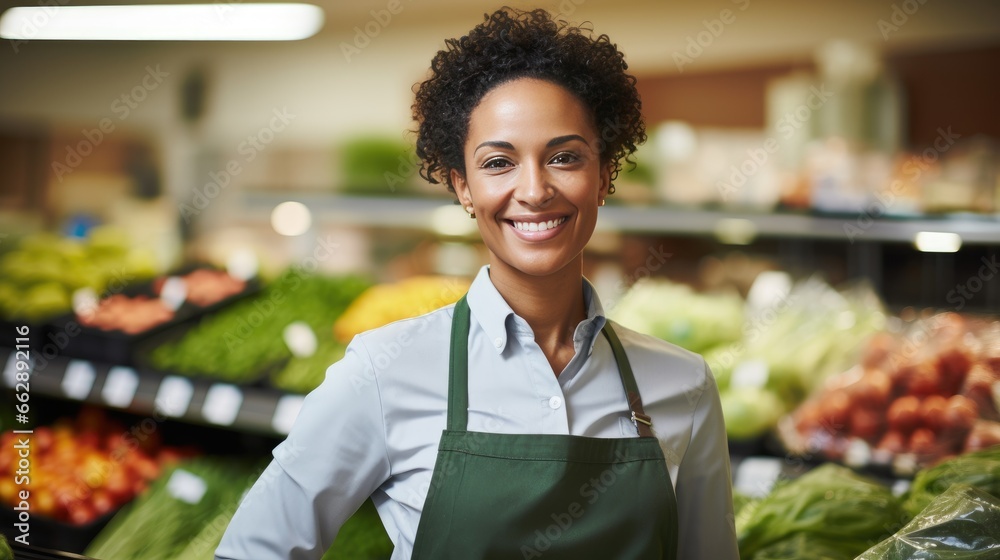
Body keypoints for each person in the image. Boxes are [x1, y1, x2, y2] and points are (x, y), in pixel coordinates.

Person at [216, 7, 738, 559]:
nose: (534, 190)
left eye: (564, 157)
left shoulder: (684, 385)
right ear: (462, 186)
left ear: (604, 175)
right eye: (498, 163)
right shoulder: (384, 370)